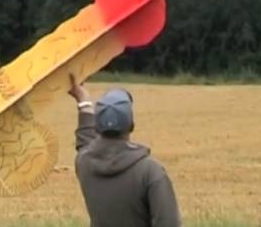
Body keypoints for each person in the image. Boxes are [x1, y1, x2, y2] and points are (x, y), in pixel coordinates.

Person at [68, 75, 182, 227]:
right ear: (131, 125)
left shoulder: (84, 164)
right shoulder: (150, 172)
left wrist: (83, 100)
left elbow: (85, 143)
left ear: (97, 126)